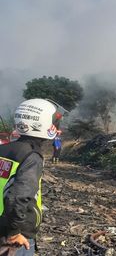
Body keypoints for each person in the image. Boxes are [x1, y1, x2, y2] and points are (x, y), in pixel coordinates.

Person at [0, 99, 64, 256]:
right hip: (14, 236)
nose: (57, 127)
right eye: (54, 122)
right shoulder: (32, 156)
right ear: (42, 124)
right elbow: (17, 197)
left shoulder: (4, 149)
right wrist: (14, 233)